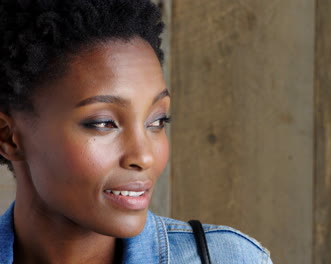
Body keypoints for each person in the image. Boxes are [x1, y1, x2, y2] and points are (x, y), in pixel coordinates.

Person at [0, 0, 273, 263]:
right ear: (8, 136)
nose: (144, 157)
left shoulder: (228, 258)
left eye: (157, 121)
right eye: (104, 123)